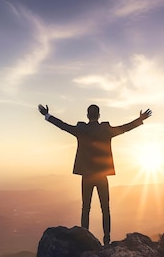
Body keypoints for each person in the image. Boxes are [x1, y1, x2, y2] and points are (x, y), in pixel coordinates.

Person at [38, 103, 152, 245]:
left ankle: (84, 239)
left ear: (87, 115)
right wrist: (140, 119)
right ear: (99, 116)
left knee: (86, 207)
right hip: (101, 175)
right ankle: (107, 239)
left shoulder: (81, 129)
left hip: (87, 176)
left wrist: (47, 116)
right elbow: (124, 128)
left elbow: (63, 126)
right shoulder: (105, 130)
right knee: (105, 208)